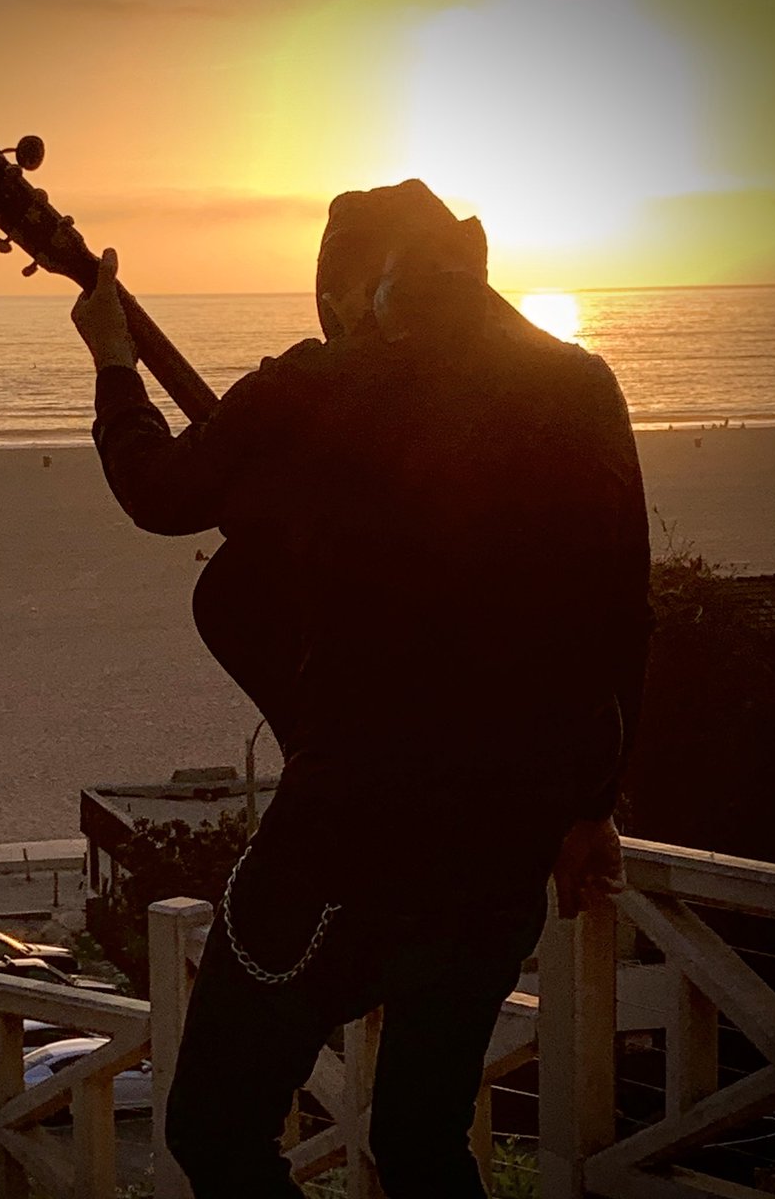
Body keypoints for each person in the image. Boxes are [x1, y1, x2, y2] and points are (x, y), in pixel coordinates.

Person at [71, 180, 650, 1197]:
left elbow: (159, 491)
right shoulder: (580, 383)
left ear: (347, 290)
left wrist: (115, 360)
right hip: (501, 853)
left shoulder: (318, 383)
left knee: (216, 1129)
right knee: (423, 1143)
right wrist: (592, 808)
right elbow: (621, 617)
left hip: (344, 846)